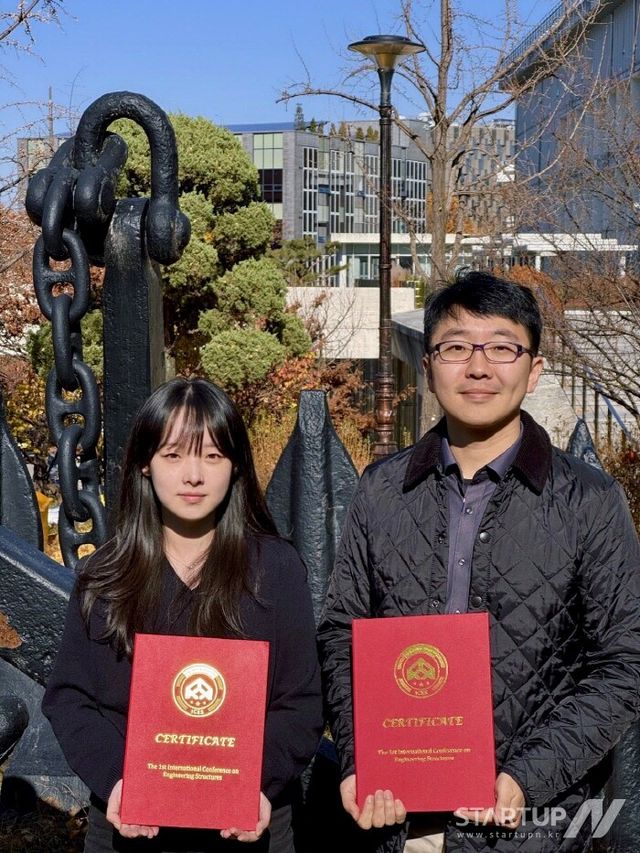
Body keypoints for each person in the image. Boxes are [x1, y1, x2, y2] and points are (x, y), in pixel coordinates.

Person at [318, 271, 640, 852]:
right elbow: (344, 633)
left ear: (534, 368)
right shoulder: (382, 492)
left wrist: (527, 777)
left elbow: (623, 663)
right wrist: (356, 757)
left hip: (532, 829)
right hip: (401, 823)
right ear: (428, 365)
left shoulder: (588, 502)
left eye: (502, 347)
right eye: (457, 347)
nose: (478, 367)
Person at [43, 378, 323, 853]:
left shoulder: (276, 571)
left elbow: (301, 703)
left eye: (212, 456)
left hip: (250, 824)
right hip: (128, 827)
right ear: (145, 465)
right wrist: (117, 781)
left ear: (235, 467)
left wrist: (255, 782)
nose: (193, 475)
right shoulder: (104, 575)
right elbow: (71, 699)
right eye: (173, 455)